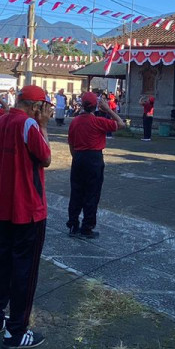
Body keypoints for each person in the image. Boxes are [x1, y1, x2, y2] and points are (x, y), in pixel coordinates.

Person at [0, 85, 52, 349]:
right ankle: (16, 331)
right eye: (43, 107)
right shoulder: (30, 126)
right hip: (28, 208)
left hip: (5, 206)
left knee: (1, 263)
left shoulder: (2, 121)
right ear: (36, 107)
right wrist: (44, 125)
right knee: (25, 271)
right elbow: (45, 158)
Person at [67, 91, 125, 239]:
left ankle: (73, 224)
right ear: (95, 107)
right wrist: (109, 109)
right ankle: (87, 227)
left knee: (76, 192)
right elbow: (121, 124)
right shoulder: (99, 122)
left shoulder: (75, 121)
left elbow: (71, 143)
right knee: (92, 194)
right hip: (94, 158)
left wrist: (76, 157)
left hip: (78, 157)